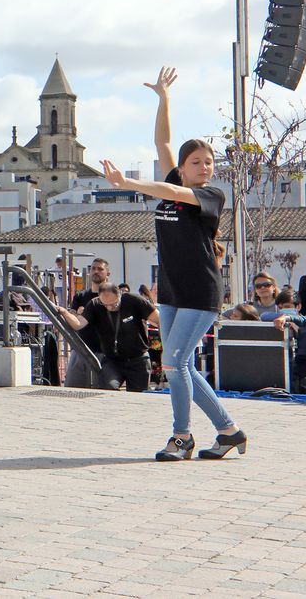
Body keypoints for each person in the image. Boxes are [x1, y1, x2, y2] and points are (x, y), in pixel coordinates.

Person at [99, 67, 244, 461]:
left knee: (174, 363)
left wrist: (129, 184)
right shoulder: (174, 182)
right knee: (181, 366)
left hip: (201, 291)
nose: (205, 167)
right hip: (173, 290)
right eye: (197, 162)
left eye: (209, 161)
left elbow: (167, 189)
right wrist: (164, 99)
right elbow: (163, 140)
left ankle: (182, 438)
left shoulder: (209, 195)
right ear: (183, 166)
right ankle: (229, 431)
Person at [54, 282, 157, 392]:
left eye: (114, 304)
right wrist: (64, 312)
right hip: (112, 360)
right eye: (105, 305)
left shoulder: (134, 300)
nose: (110, 308)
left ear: (120, 294)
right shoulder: (95, 304)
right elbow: (79, 324)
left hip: (138, 359)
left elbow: (159, 320)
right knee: (107, 388)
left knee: (138, 396)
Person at [63, 258, 113, 388]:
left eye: (100, 269)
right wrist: (77, 314)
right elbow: (72, 316)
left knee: (102, 390)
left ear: (108, 273)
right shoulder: (80, 296)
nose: (96, 271)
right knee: (72, 388)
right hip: (81, 349)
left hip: (105, 352)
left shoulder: (113, 295)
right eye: (93, 268)